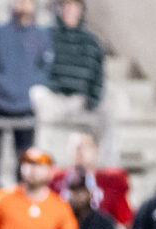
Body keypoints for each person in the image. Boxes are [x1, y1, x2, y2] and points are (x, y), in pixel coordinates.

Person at [29, 0, 104, 165]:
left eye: (74, 6)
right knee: (38, 94)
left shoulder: (91, 41)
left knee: (112, 106)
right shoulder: (48, 36)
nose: (69, 10)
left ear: (81, 10)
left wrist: (93, 100)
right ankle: (43, 160)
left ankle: (103, 165)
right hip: (54, 97)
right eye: (65, 6)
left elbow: (98, 75)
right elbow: (35, 66)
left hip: (80, 99)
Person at [0, 0, 48, 159]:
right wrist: (6, 85)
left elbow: (45, 68)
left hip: (25, 105)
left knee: (24, 159)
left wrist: (28, 87)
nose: (22, 5)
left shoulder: (41, 35)